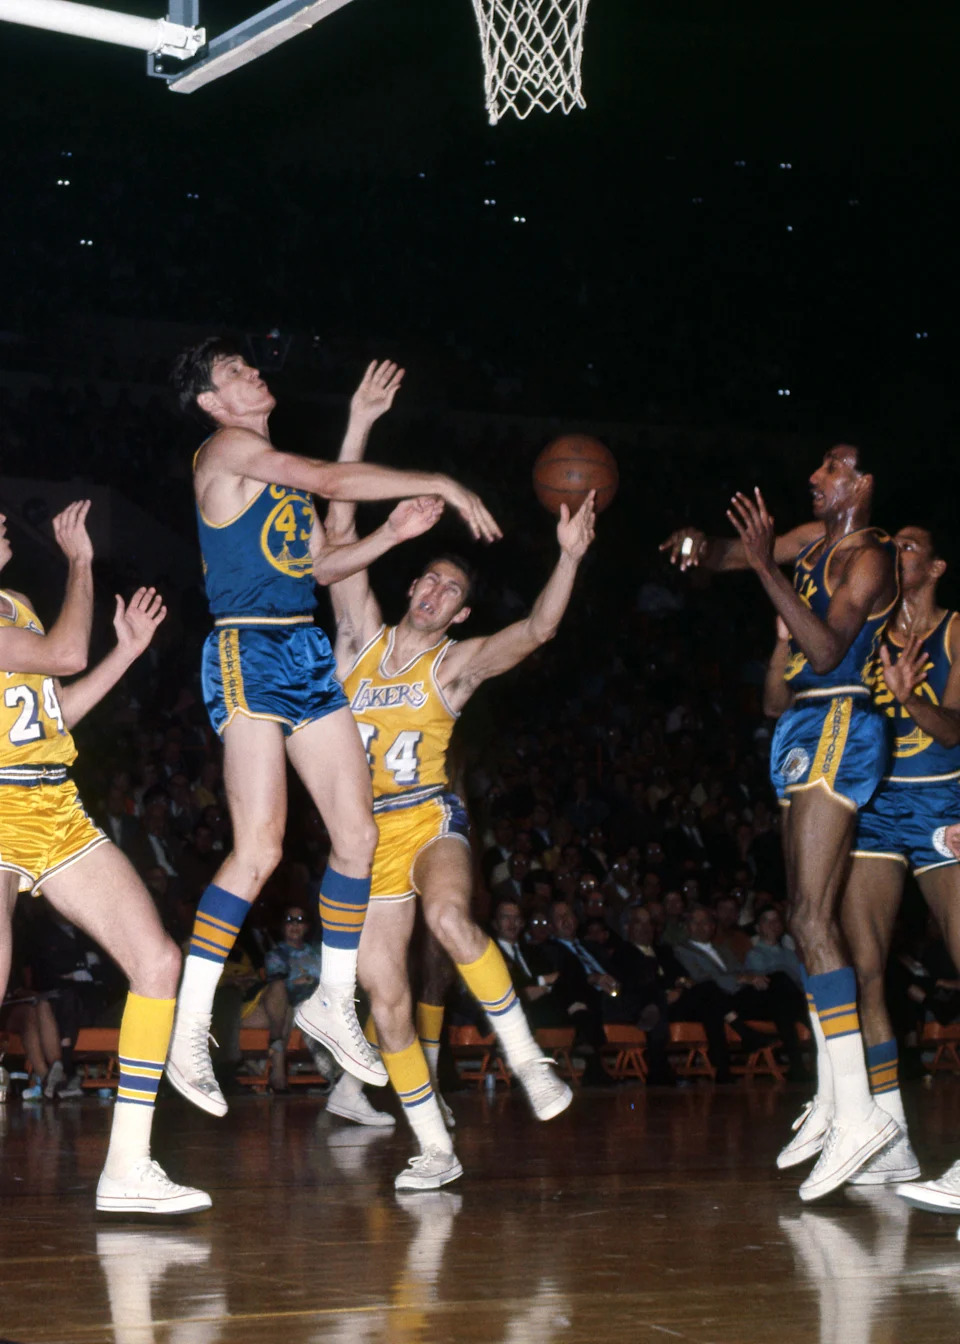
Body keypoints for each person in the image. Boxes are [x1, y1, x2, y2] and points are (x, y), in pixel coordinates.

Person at [167, 345, 500, 1118]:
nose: (255, 374)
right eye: (237, 373)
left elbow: (323, 565)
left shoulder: (275, 474)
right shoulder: (229, 450)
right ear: (214, 403)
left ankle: (331, 1000)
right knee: (261, 849)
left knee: (358, 837)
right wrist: (438, 480)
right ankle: (189, 1030)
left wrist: (392, 535)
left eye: (252, 366)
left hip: (303, 650)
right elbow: (325, 477)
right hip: (247, 646)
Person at [321, 472, 595, 1188]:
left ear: (459, 614)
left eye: (449, 590)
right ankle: (434, 1147)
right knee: (386, 998)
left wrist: (567, 556)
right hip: (365, 838)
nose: (433, 592)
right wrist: (359, 433)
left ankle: (530, 1063)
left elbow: (539, 629)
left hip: (430, 815)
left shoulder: (457, 666)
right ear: (412, 587)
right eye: (427, 580)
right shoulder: (360, 641)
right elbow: (339, 541)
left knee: (447, 914)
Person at [662, 444, 900, 1199]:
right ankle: (837, 1102)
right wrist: (696, 548)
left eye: (831, 469)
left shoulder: (872, 557)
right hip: (800, 726)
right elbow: (731, 556)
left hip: (841, 718)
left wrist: (765, 568)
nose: (814, 478)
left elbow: (827, 649)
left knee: (811, 916)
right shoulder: (811, 540)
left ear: (861, 483)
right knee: (802, 923)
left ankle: (860, 1113)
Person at [0, 502, 208, 1213]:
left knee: (158, 963)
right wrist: (82, 562)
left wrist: (125, 650)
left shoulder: (17, 604)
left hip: (52, 803)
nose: (1, 519)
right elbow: (64, 653)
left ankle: (126, 1167)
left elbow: (54, 711)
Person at [830, 526, 960, 1202]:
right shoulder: (868, 627)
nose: (896, 552)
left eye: (910, 545)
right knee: (863, 970)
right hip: (876, 805)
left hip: (944, 804)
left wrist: (910, 698)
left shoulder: (956, 630)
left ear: (935, 565)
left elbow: (958, 727)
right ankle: (891, 1134)